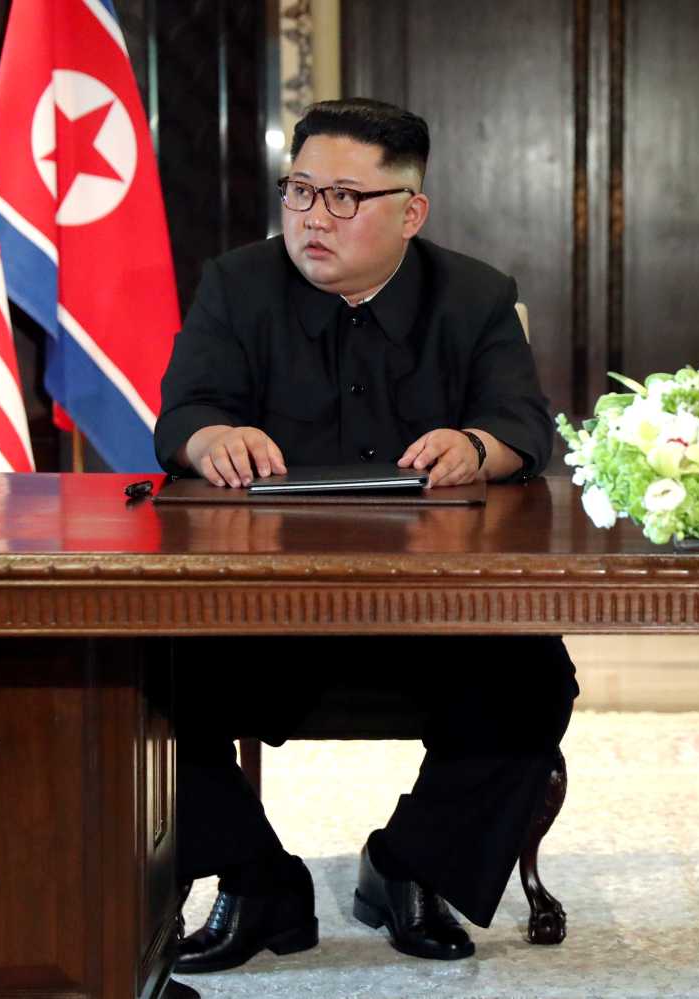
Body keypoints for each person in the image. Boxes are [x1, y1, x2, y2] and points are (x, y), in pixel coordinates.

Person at [154, 98, 578, 971]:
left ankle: (406, 866)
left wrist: (477, 446)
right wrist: (210, 437)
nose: (315, 216)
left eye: (345, 197)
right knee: (138, 669)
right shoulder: (236, 284)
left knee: (534, 679)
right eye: (301, 190)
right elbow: (183, 413)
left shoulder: (475, 295)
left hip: (434, 610)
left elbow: (524, 427)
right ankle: (255, 876)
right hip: (262, 608)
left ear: (409, 213)